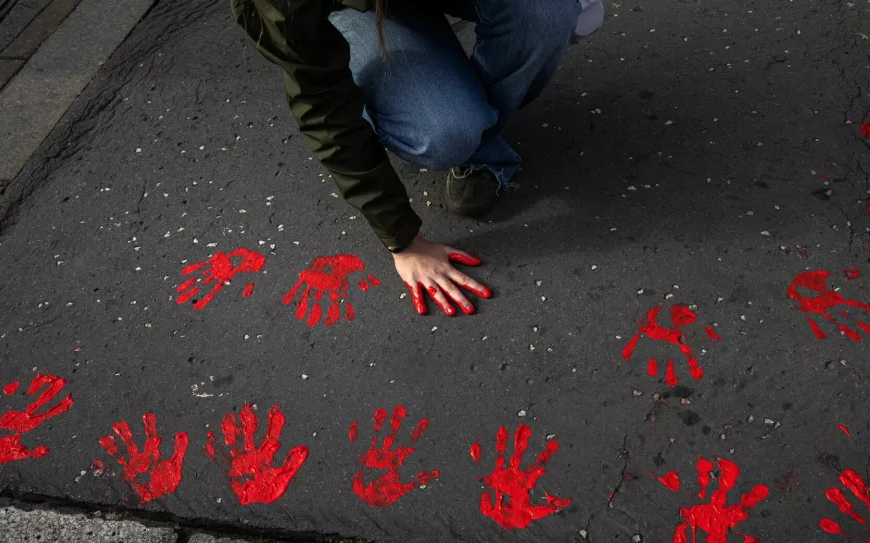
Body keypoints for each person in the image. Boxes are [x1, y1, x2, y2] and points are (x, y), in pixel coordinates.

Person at [231, 0, 603, 316]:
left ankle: (481, 138)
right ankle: (467, 130)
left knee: (546, 13)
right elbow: (322, 107)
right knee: (443, 133)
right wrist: (402, 240)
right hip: (352, 9)